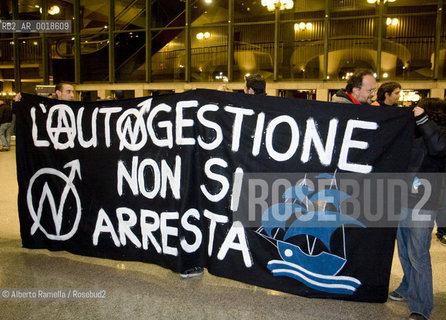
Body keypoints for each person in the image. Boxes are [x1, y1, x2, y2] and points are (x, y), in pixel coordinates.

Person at [388, 98, 446, 320]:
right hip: (404, 198)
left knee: (418, 253)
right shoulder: (416, 132)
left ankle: (421, 307)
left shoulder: (437, 133)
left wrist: (423, 120)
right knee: (403, 250)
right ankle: (408, 286)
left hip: (425, 201)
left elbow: (438, 146)